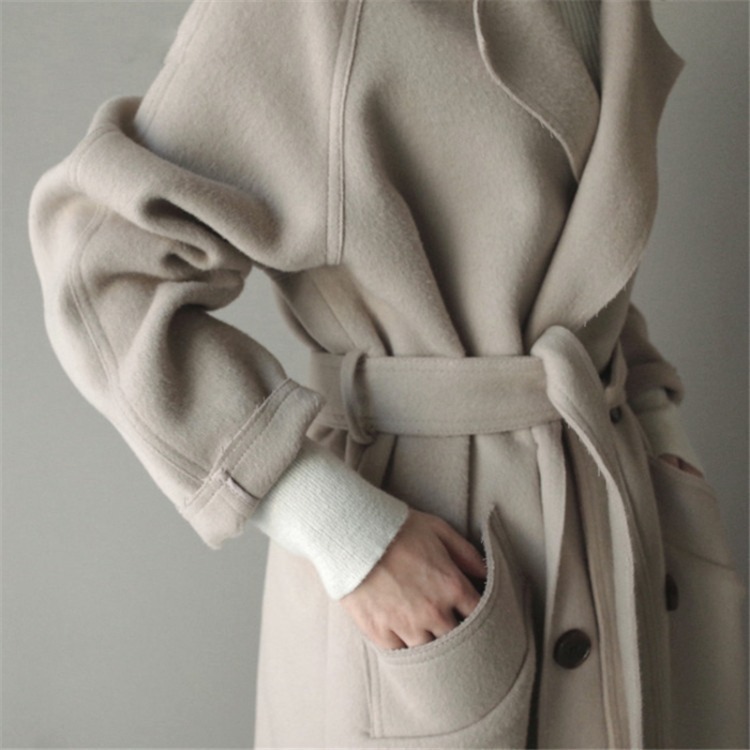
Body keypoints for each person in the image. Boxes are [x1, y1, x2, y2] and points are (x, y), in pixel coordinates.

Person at [27, 0, 747, 747]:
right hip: (434, 544)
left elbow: (574, 263)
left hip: (614, 526)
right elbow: (102, 268)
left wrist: (659, 427)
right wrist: (343, 532)